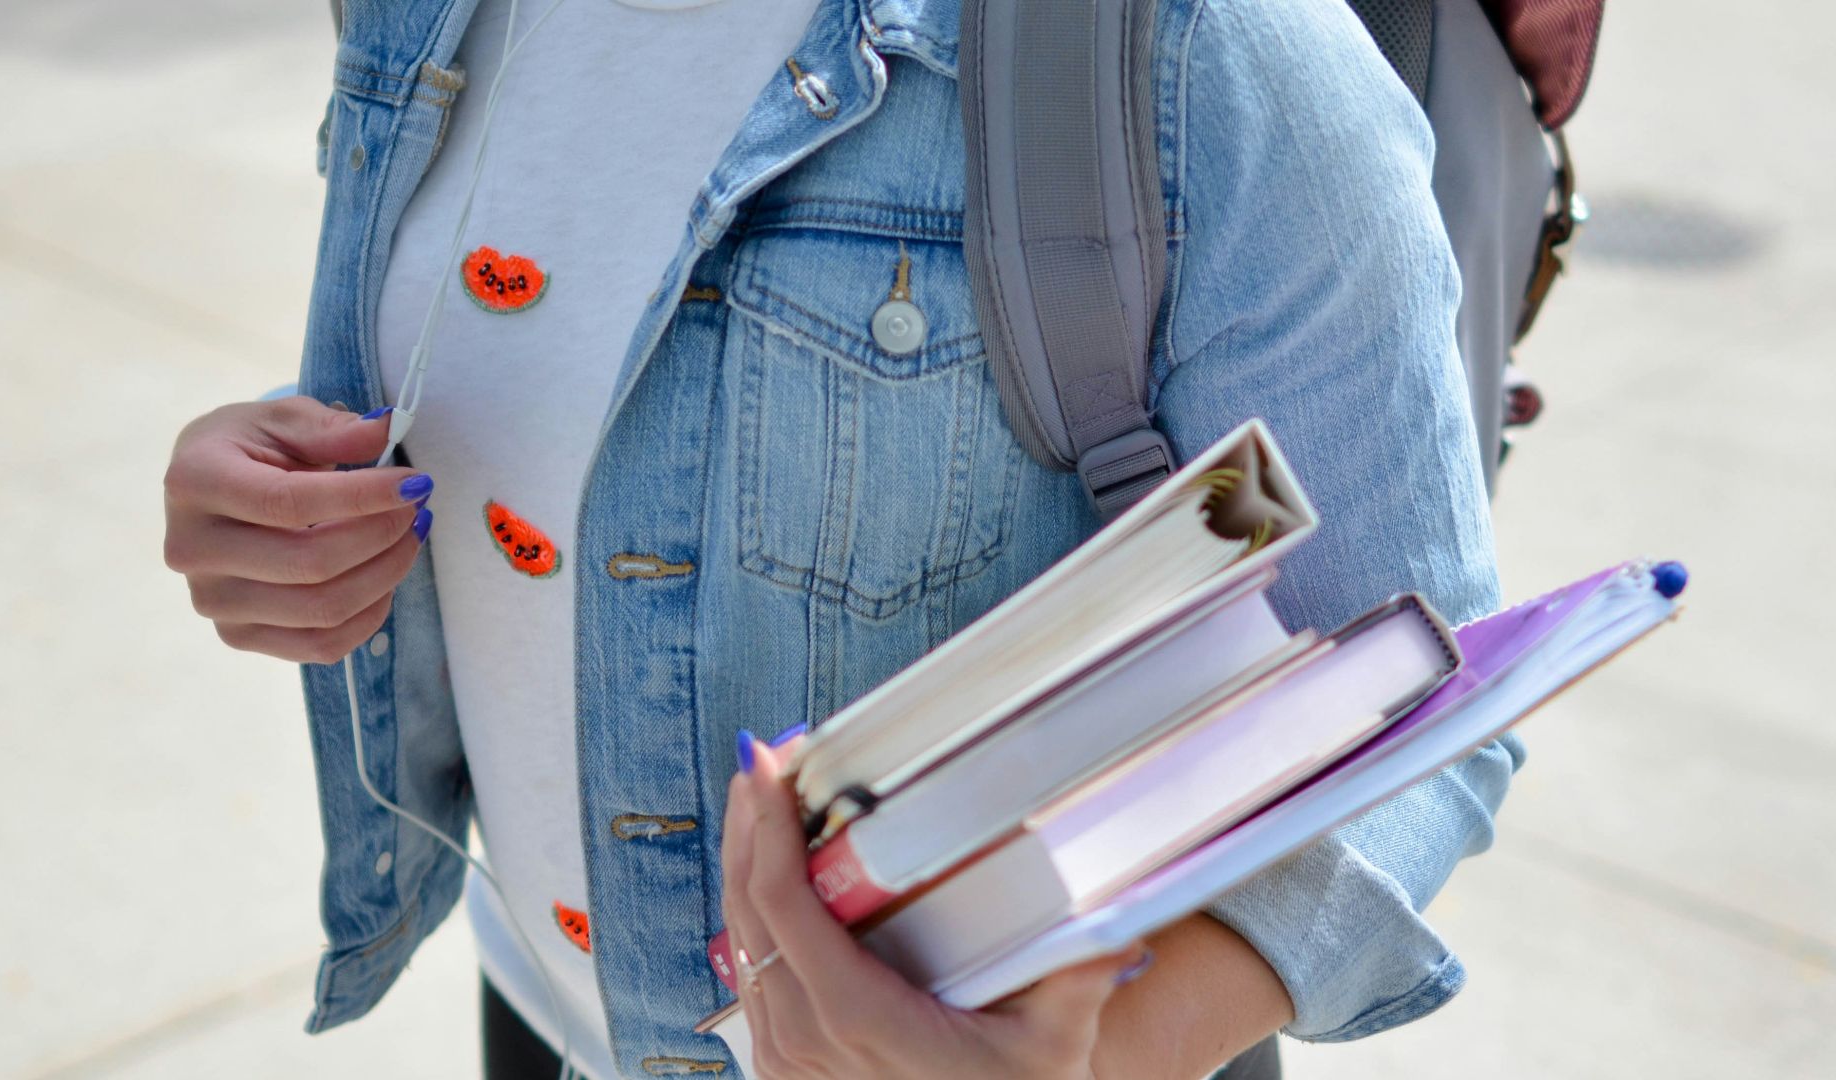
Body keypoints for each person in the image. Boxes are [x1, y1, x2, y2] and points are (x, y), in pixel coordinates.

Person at [161, 0, 1523, 1076]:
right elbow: (466, 393)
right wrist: (276, 508)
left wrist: (1111, 1059)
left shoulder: (1197, 42)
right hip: (539, 1008)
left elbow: (1414, 688)